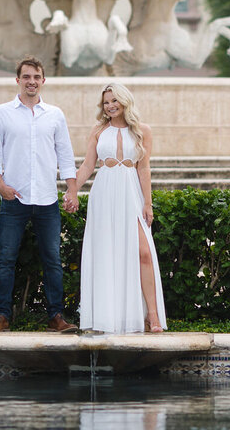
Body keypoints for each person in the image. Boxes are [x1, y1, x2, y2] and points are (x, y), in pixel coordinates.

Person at [0, 56, 79, 333]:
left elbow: (66, 155)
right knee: (6, 259)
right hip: (15, 199)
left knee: (52, 259)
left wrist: (72, 189)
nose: (31, 82)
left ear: (43, 81)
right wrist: (0, 184)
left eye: (36, 77)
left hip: (47, 199)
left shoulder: (55, 115)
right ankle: (1, 316)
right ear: (18, 80)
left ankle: (56, 316)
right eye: (26, 77)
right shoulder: (1, 113)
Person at [64, 83, 166, 334]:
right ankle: (109, 318)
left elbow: (144, 168)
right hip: (104, 194)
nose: (109, 106)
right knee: (107, 254)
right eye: (106, 102)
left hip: (131, 193)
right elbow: (88, 166)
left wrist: (147, 203)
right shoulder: (98, 131)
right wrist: (72, 190)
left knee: (143, 252)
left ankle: (152, 316)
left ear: (124, 102)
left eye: (114, 101)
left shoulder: (143, 131)